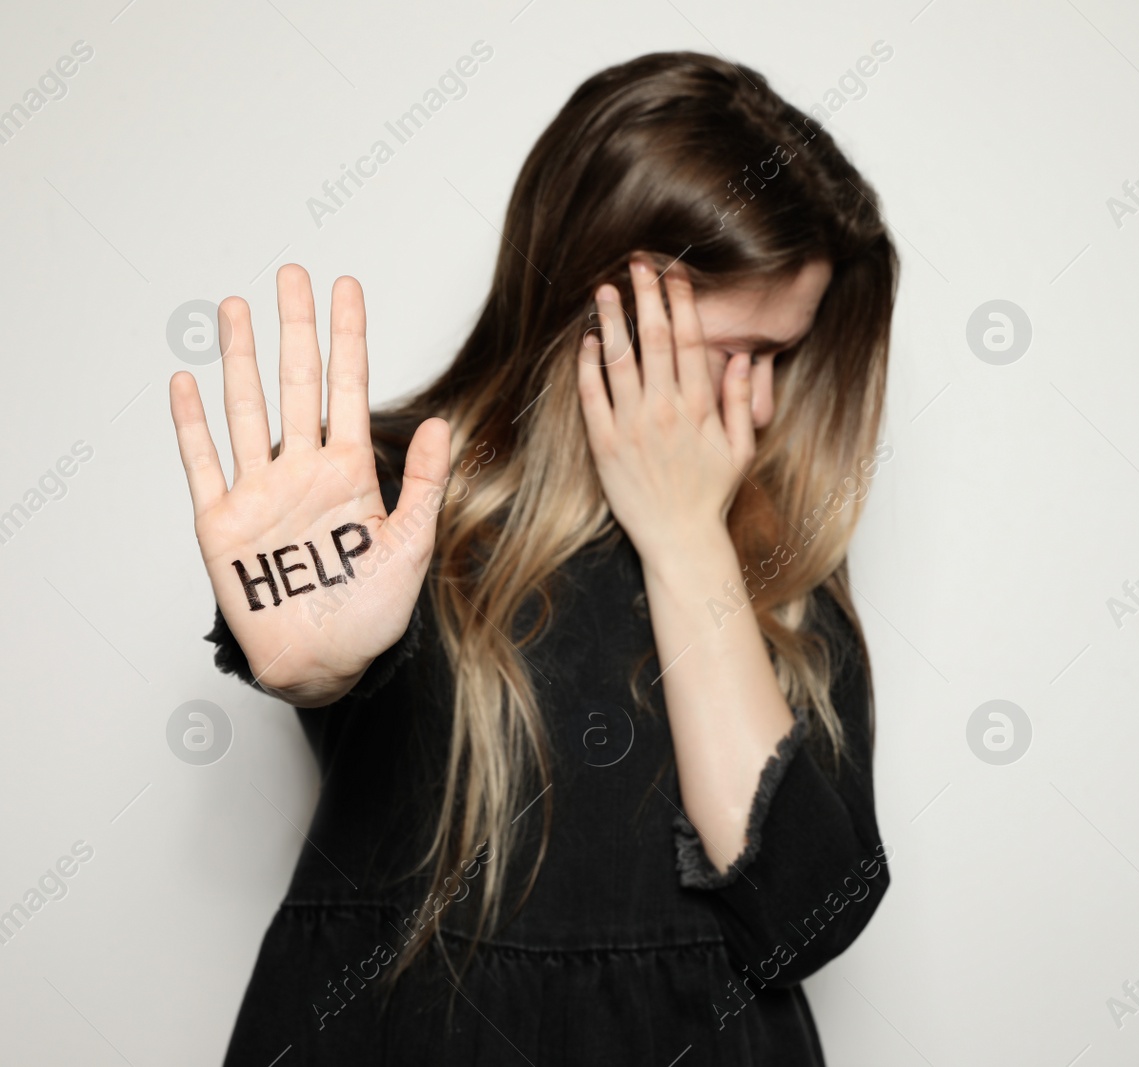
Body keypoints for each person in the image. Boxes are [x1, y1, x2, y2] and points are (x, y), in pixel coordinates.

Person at [167, 51, 897, 1065]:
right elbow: (318, 639)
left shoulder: (776, 552)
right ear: (596, 309)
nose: (762, 406)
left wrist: (684, 535)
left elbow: (808, 920)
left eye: (780, 356)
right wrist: (317, 666)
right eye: (732, 356)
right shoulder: (388, 495)